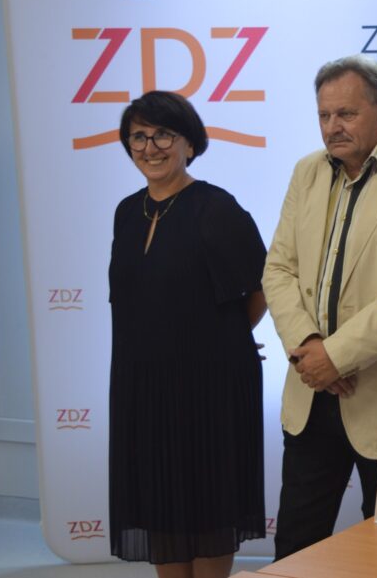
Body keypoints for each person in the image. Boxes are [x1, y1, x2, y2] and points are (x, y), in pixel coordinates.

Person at [263, 56, 377, 559]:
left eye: (346, 114)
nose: (332, 127)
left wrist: (335, 357)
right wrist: (310, 348)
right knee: (296, 549)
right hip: (310, 390)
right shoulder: (306, 171)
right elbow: (278, 269)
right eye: (324, 115)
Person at [108, 91, 267, 578]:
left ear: (189, 145)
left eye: (163, 135)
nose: (149, 147)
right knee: (161, 503)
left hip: (209, 387)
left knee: (208, 503)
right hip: (143, 388)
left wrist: (221, 340)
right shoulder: (126, 212)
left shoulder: (217, 208)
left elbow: (261, 287)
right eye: (138, 136)